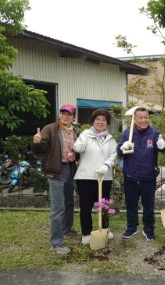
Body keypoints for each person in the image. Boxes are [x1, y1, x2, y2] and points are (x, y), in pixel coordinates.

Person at [31, 104, 79, 255]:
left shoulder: (76, 132)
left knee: (69, 203)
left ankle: (67, 229)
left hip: (69, 169)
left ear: (73, 117)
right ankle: (56, 243)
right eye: (63, 113)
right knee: (58, 208)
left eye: (69, 114)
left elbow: (79, 150)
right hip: (55, 171)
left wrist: (75, 156)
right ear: (59, 115)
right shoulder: (50, 129)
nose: (65, 116)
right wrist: (36, 142)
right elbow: (40, 149)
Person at [117, 107, 165, 241]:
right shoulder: (128, 133)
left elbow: (162, 149)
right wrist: (122, 147)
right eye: (141, 117)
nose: (144, 120)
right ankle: (131, 227)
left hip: (148, 177)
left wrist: (163, 146)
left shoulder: (154, 133)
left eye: (146, 117)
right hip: (130, 176)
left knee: (148, 204)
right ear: (135, 119)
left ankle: (148, 229)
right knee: (131, 204)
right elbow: (119, 151)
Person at [73, 109, 117, 245]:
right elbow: (78, 148)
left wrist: (106, 165)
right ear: (93, 121)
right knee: (85, 206)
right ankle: (86, 233)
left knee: (103, 205)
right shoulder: (85, 135)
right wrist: (77, 145)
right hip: (86, 177)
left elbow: (114, 156)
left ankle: (104, 229)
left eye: (103, 120)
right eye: (98, 119)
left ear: (107, 123)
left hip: (104, 177)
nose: (100, 122)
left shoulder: (111, 140)